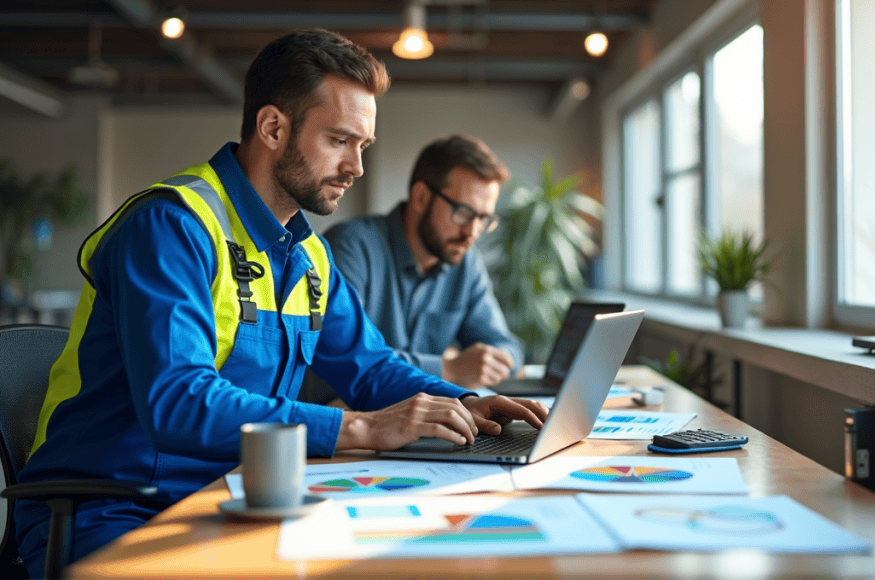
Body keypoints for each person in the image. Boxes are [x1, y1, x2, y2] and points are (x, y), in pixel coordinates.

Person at [13, 29, 546, 576]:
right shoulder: (172, 226)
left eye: (362, 146)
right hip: (116, 509)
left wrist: (463, 401)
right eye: (339, 140)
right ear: (273, 127)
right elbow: (178, 401)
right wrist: (360, 428)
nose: (356, 167)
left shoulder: (309, 254)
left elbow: (370, 367)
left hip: (237, 495)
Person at [323, 135, 523, 389]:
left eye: (483, 218)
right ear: (420, 197)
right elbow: (349, 358)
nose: (472, 232)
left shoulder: (465, 263)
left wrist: (491, 360)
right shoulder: (351, 247)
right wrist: (448, 367)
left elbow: (506, 346)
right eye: (463, 213)